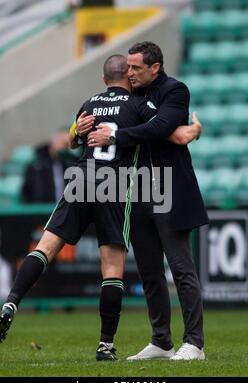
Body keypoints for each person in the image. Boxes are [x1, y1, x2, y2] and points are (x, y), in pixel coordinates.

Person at [0, 54, 201, 361]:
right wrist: (194, 130)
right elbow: (173, 133)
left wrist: (76, 131)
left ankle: (11, 301)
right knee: (111, 268)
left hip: (80, 178)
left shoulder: (88, 104)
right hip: (113, 185)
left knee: (45, 247)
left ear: (103, 80)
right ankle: (105, 345)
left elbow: (73, 140)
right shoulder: (139, 106)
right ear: (127, 79)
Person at [81, 42, 209, 360]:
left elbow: (162, 127)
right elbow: (168, 131)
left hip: (169, 190)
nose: (129, 72)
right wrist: (78, 128)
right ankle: (162, 342)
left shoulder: (176, 91)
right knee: (149, 272)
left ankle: (194, 343)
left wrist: (118, 136)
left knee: (181, 268)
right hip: (136, 192)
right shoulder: (133, 95)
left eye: (136, 68)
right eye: (128, 67)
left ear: (155, 67)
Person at [21, 131, 71, 203]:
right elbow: (26, 192)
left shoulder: (68, 163)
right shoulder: (36, 166)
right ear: (53, 143)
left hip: (63, 210)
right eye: (64, 144)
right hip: (41, 211)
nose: (66, 148)